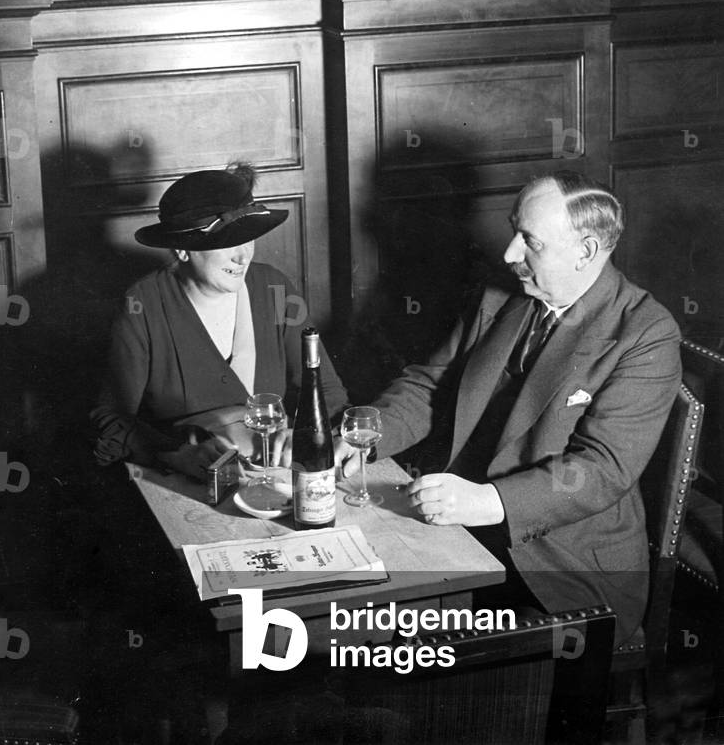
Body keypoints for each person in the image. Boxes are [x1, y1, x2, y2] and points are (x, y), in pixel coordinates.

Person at [336, 172, 681, 646]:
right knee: (350, 609)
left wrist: (486, 501)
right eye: (513, 231)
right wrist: (362, 438)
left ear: (586, 251)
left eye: (530, 242)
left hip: (560, 567)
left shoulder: (645, 333)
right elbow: (432, 384)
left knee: (404, 645)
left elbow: (602, 470)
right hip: (465, 534)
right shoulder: (503, 292)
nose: (509, 254)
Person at [91, 163, 348, 480]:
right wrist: (178, 455)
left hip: (276, 475)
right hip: (185, 477)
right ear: (183, 250)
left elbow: (327, 391)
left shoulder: (274, 288)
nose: (243, 256)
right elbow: (111, 417)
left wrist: (307, 438)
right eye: (229, 243)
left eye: (249, 239)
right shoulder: (142, 306)